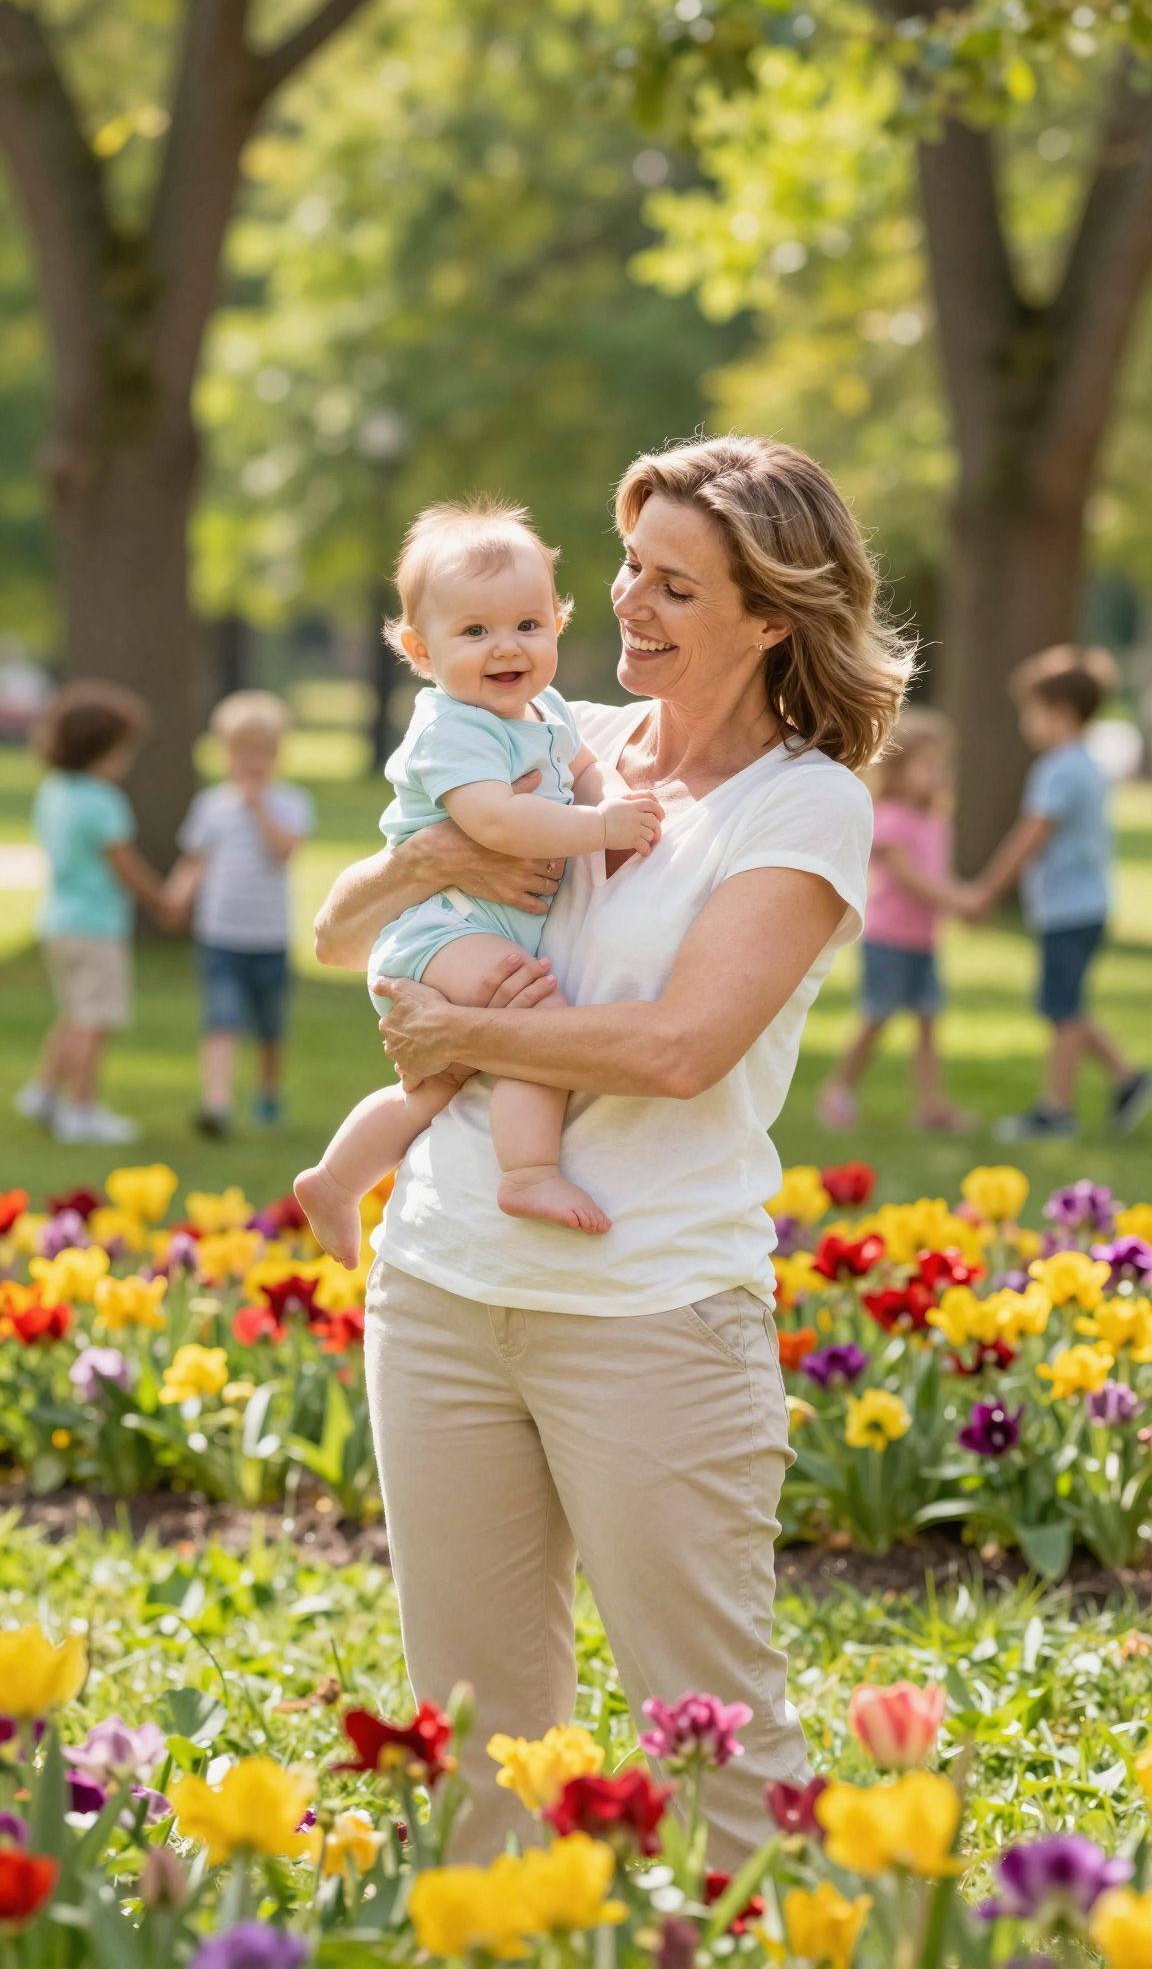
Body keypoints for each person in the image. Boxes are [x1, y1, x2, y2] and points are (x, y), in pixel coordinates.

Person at [312, 435, 911, 1866]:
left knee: (715, 1745)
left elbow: (676, 1050)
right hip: (443, 1289)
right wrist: (424, 867)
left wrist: (457, 1044)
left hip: (650, 1316)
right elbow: (344, 940)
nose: (630, 604)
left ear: (771, 617)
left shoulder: (802, 806)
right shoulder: (544, 742)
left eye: (677, 587)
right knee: (478, 1748)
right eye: (631, 569)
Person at [294, 501, 663, 1268]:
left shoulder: (548, 709)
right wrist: (602, 830)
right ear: (419, 650)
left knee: (433, 1088)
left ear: (557, 622)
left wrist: (603, 799)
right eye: (475, 632)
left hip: (477, 927)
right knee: (536, 1022)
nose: (507, 648)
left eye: (528, 625)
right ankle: (527, 1173)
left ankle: (335, 1180)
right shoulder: (452, 728)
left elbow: (581, 768)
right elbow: (493, 822)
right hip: (443, 931)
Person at [966, 648, 1150, 1141]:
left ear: (1061, 713)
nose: (1027, 722)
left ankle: (1056, 1110)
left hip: (1071, 909)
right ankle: (1130, 1079)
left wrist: (985, 892)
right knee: (1062, 1001)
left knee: (1062, 1009)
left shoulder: (1059, 770)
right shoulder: (1085, 764)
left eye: (1033, 710)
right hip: (1083, 907)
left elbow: (1029, 837)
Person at [17, 680, 170, 1144]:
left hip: (58, 923)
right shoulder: (103, 802)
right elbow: (124, 863)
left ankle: (43, 1093)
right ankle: (79, 1109)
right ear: (100, 749)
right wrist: (161, 901)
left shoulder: (54, 791)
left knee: (73, 1013)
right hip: (96, 927)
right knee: (94, 1019)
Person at [166, 691, 313, 1138]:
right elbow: (195, 859)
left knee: (270, 1027)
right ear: (224, 753)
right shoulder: (211, 805)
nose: (252, 762)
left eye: (262, 752)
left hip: (268, 937)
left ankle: (267, 1092)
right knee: (221, 1018)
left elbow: (285, 852)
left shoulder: (290, 803)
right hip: (221, 936)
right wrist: (178, 895)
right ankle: (217, 1102)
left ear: (277, 755)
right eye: (241, 751)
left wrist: (258, 806)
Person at [819, 706, 973, 1132]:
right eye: (928, 765)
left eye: (944, 765)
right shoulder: (890, 820)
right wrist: (961, 900)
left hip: (923, 940)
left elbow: (937, 876)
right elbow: (911, 879)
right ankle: (838, 1089)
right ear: (899, 769)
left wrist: (956, 900)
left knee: (928, 1022)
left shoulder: (935, 818)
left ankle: (931, 1105)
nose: (938, 774)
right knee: (876, 1017)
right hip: (889, 939)